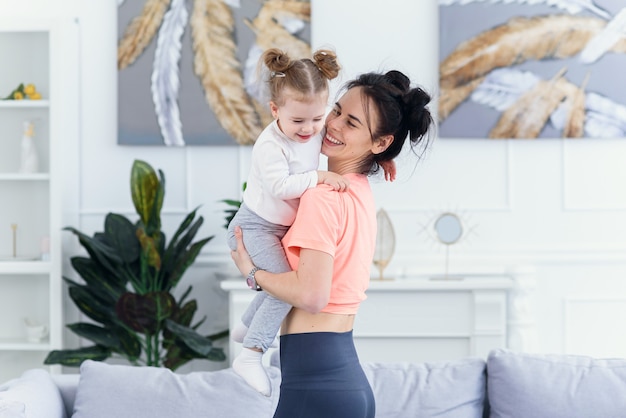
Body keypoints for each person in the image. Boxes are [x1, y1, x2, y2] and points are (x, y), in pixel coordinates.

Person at [230, 69, 434, 417]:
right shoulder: (358, 191)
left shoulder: (323, 196)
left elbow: (312, 296)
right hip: (339, 382)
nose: (334, 124)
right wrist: (377, 155)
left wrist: (253, 273)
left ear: (381, 142)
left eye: (351, 122)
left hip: (316, 388)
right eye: (336, 110)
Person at [226, 47, 347, 397]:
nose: (309, 130)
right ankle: (251, 354)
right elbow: (280, 186)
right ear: (275, 110)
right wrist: (320, 178)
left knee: (282, 286)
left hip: (276, 229)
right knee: (289, 290)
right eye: (298, 121)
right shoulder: (270, 145)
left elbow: (336, 144)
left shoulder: (309, 129)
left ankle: (245, 327)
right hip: (254, 228)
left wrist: (378, 159)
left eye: (316, 119)